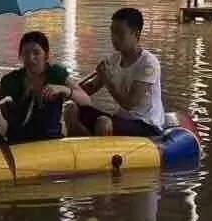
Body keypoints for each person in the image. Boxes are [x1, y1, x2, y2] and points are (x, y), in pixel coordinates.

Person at [65, 8, 164, 137]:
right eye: (112, 32)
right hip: (123, 119)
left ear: (136, 34)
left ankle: (97, 154)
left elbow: (129, 104)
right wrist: (67, 89)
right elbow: (91, 88)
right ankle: (78, 149)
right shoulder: (113, 59)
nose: (114, 38)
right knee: (71, 109)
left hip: (146, 125)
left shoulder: (149, 63)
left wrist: (108, 81)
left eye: (120, 33)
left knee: (103, 122)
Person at [0, 31, 91, 143]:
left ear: (46, 55)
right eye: (26, 53)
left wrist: (64, 90)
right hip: (18, 143)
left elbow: (86, 101)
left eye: (36, 53)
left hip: (51, 142)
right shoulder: (13, 79)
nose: (30, 58)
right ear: (21, 56)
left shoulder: (56, 74)